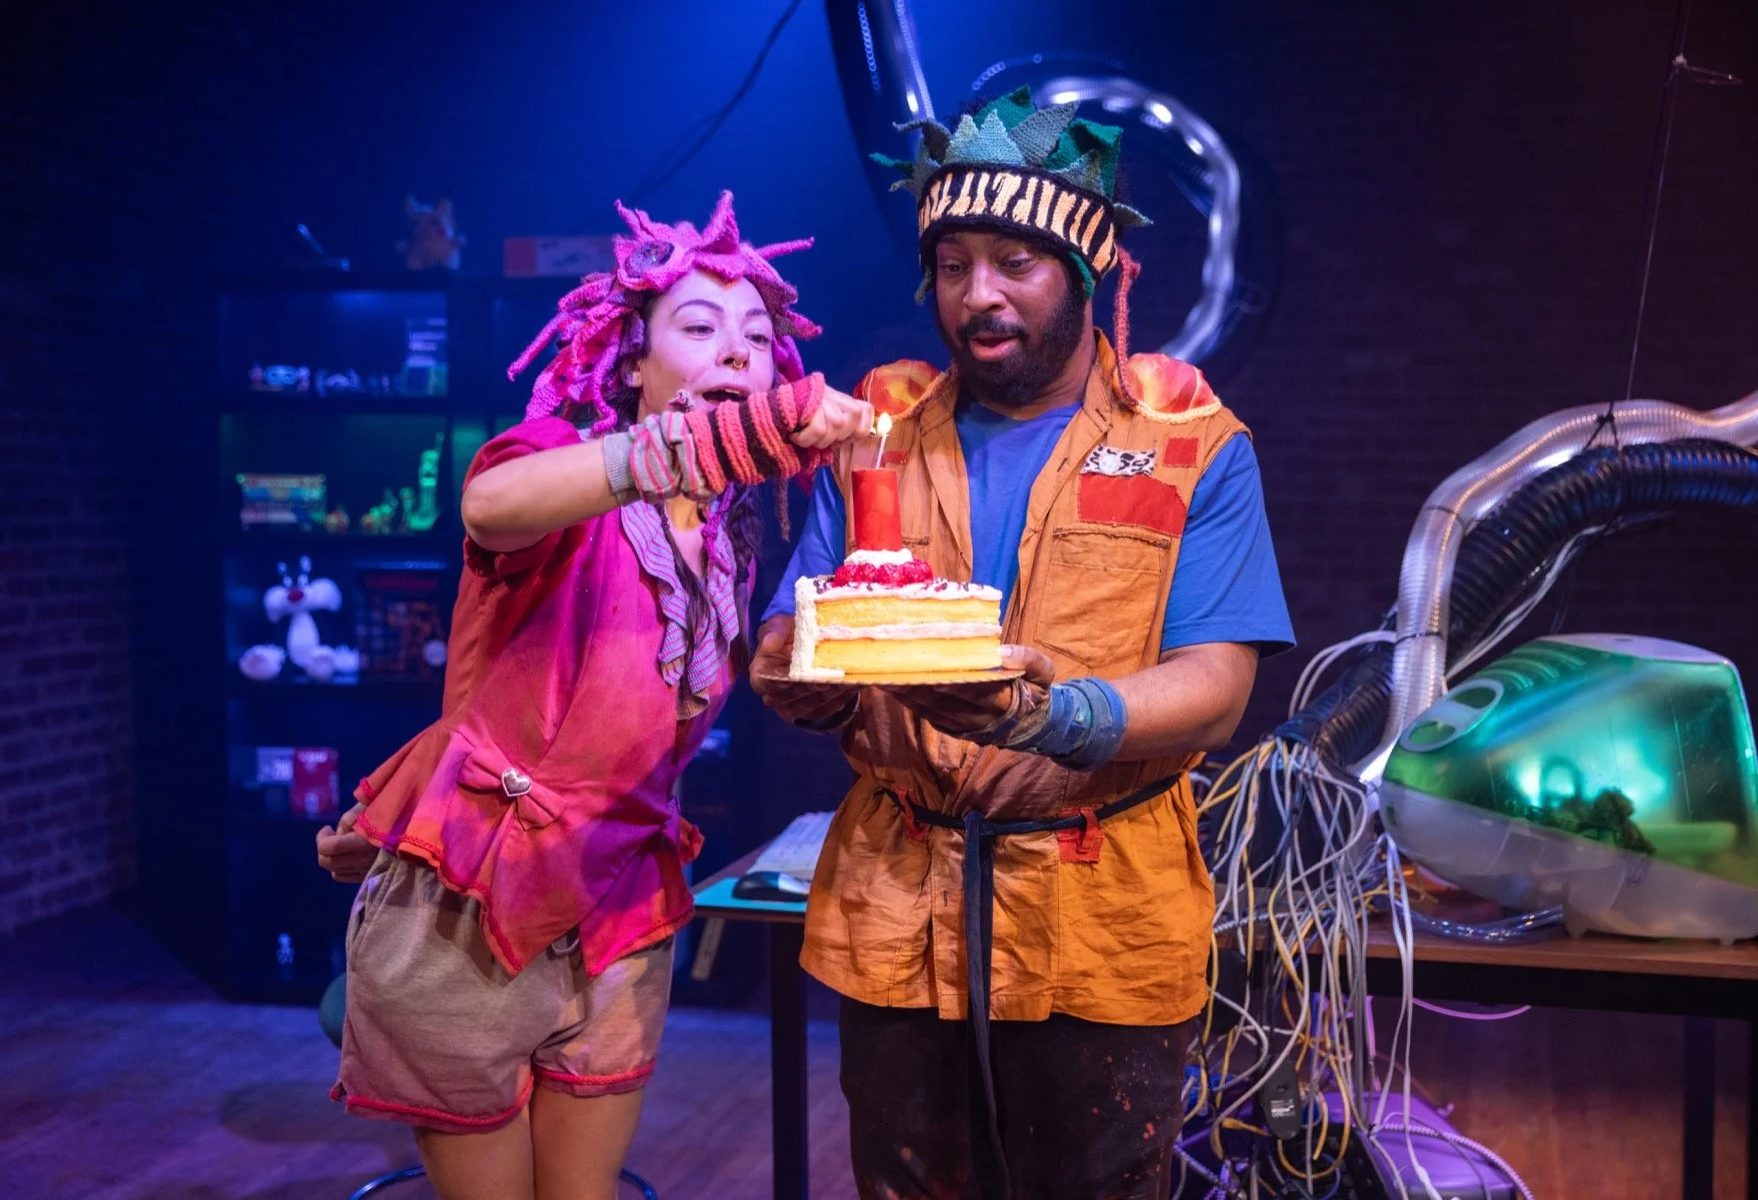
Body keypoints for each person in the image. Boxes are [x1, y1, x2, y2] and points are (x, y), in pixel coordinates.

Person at [750, 89, 1294, 1200]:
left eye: (1015, 262)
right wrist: (793, 670)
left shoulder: (1188, 440)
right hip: (901, 899)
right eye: (953, 265)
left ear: (1086, 273)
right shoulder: (879, 425)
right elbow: (797, 614)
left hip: (1101, 907)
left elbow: (1220, 683)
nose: (978, 294)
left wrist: (1064, 715)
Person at [314, 192, 873, 1200]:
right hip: (473, 904)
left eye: (755, 338)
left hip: (619, 907)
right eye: (697, 329)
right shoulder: (562, 465)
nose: (735, 355)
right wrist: (681, 453)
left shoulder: (732, 534)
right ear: (633, 364)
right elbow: (491, 504)